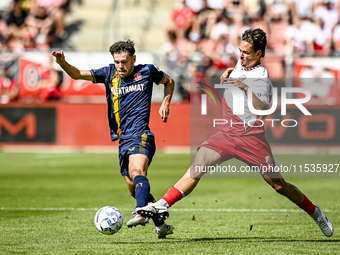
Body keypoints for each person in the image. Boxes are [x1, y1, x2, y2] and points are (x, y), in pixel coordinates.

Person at [136, 28, 334, 238]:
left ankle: (316, 213)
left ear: (258, 54)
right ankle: (162, 204)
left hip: (250, 138)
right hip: (226, 133)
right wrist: (232, 70)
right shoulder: (243, 62)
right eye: (240, 50)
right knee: (197, 167)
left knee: (279, 186)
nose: (241, 55)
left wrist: (244, 88)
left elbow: (264, 108)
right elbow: (240, 68)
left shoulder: (261, 78)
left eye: (246, 52)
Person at [51, 39, 175, 238]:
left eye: (124, 62)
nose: (120, 66)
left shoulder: (147, 71)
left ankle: (140, 212)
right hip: (123, 138)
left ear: (133, 59)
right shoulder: (108, 73)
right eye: (117, 62)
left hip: (141, 134)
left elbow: (169, 81)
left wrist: (166, 103)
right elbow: (76, 74)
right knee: (134, 188)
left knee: (137, 171)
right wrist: (62, 63)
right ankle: (160, 223)